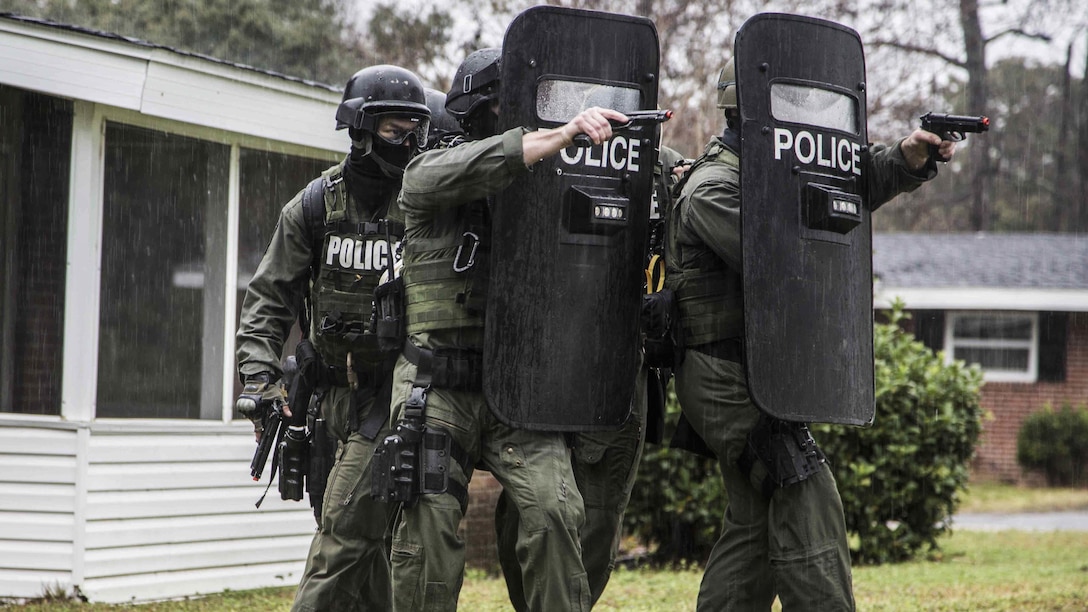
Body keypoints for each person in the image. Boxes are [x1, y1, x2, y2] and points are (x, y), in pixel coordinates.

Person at [664, 58, 956, 611]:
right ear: (745, 109)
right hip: (722, 376)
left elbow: (837, 181)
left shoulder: (768, 173)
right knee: (803, 487)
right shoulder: (714, 189)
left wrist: (907, 156)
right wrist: (836, 204)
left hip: (760, 374)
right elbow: (787, 252)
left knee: (753, 524)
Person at [383, 47, 630, 612]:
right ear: (476, 110)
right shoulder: (427, 172)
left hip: (516, 388)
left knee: (555, 512)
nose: (520, 119)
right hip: (435, 387)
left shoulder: (549, 173)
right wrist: (560, 134)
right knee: (428, 538)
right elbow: (487, 163)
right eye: (505, 106)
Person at [235, 64, 430, 612]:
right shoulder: (315, 206)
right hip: (324, 402)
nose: (409, 143)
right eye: (395, 131)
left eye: (416, 131)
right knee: (359, 544)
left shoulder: (425, 205)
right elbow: (268, 301)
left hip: (394, 397)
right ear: (361, 131)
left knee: (342, 537)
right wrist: (261, 383)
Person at [493, 139, 690, 609]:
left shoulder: (665, 168)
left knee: (598, 514)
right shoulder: (550, 144)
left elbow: (692, 242)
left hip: (624, 367)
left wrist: (673, 290)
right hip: (544, 358)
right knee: (529, 504)